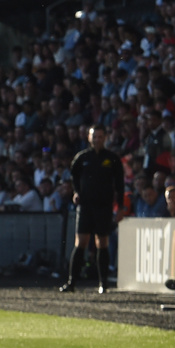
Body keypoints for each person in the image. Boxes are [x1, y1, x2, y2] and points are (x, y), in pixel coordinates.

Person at [60, 125, 123, 294]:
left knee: (102, 243)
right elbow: (73, 175)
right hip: (86, 206)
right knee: (80, 243)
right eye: (94, 136)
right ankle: (72, 282)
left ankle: (103, 283)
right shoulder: (82, 157)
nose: (97, 139)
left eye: (101, 136)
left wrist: (121, 206)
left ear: (105, 137)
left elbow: (120, 184)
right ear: (89, 137)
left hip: (104, 206)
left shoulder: (112, 159)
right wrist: (77, 192)